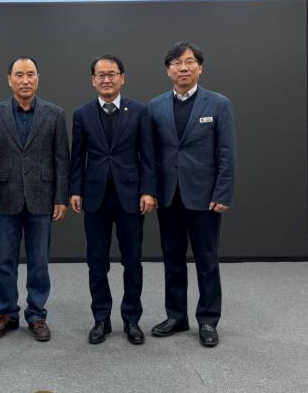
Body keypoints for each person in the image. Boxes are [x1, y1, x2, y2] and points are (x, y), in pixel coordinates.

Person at [148, 41, 236, 348]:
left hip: (205, 197)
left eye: (189, 62)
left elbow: (227, 153)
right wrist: (151, 191)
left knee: (206, 259)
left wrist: (223, 192)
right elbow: (150, 154)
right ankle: (176, 316)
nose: (183, 68)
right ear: (167, 70)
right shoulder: (155, 106)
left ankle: (208, 319)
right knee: (172, 258)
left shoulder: (218, 104)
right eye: (176, 63)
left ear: (200, 67)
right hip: (168, 196)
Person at [0, 56, 69, 342]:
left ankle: (37, 314)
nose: (25, 80)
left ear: (38, 78)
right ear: (9, 80)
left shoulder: (55, 114)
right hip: (4, 199)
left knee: (39, 261)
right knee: (5, 261)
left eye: (30, 74)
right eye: (19, 75)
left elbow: (61, 160)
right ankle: (7, 313)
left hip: (42, 198)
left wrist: (61, 198)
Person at [70, 55, 157, 345]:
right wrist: (75, 190)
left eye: (112, 74)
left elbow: (148, 155)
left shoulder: (140, 111)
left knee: (132, 261)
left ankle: (132, 319)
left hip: (131, 198)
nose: (106, 79)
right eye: (101, 75)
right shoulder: (82, 113)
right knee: (97, 262)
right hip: (95, 198)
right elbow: (77, 157)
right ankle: (101, 319)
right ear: (93, 80)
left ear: (122, 78)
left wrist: (148, 191)